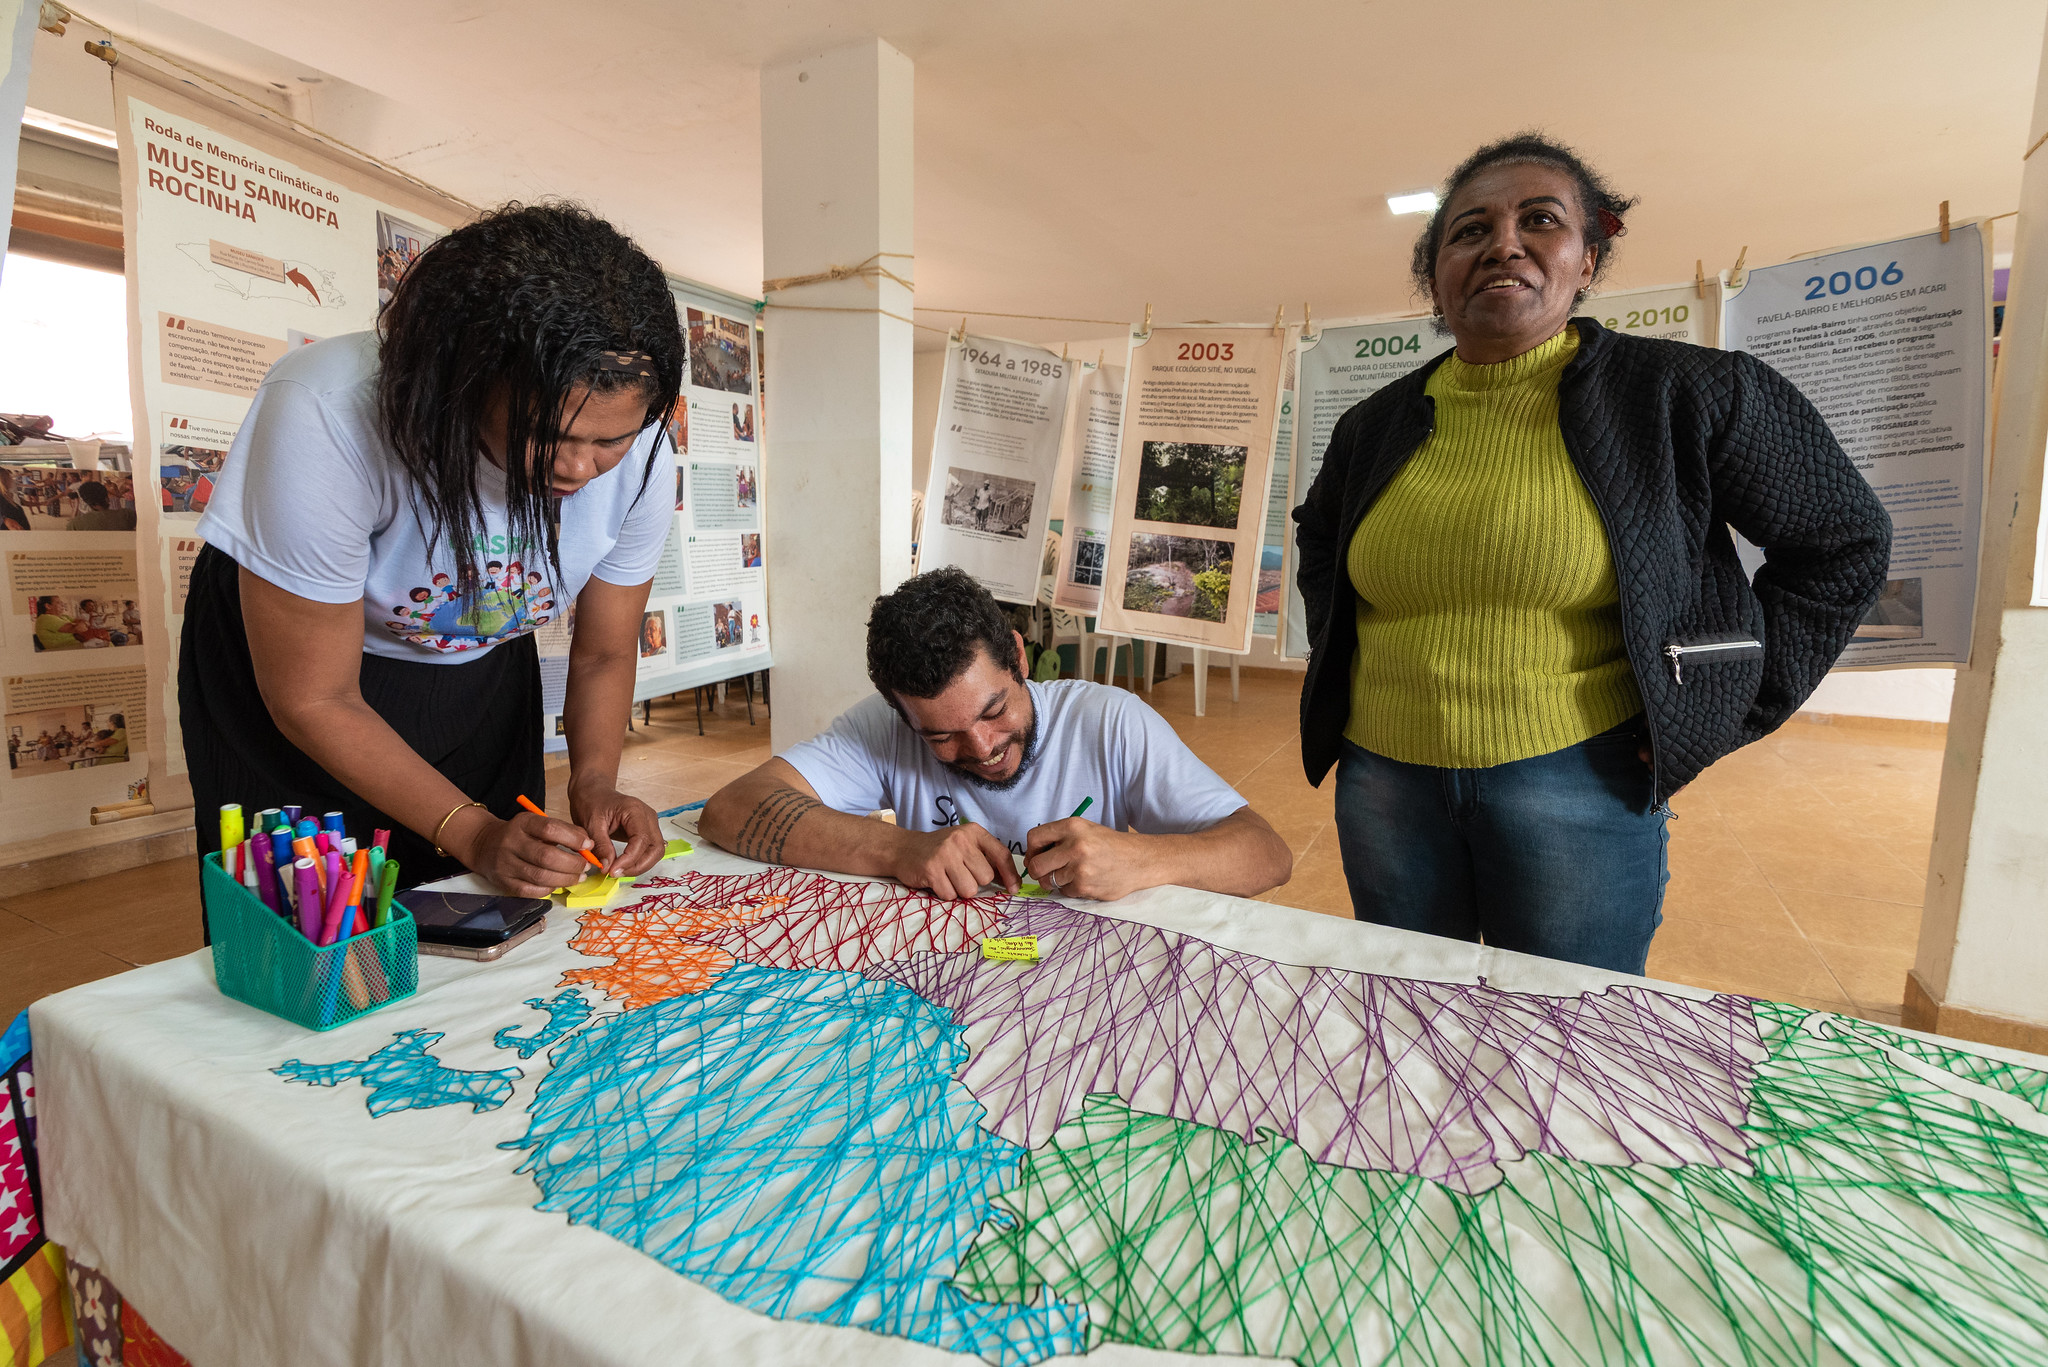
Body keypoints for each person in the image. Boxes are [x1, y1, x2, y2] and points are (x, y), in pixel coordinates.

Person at [1293, 133, 1889, 974]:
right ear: (1435, 275)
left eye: (1539, 220)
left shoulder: (1688, 392)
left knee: (1570, 1044)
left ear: (1587, 260)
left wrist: (1725, 707)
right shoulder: (1375, 425)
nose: (1502, 243)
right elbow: (1320, 537)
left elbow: (1844, 542)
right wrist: (1344, 667)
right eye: (1468, 231)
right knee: (1410, 1018)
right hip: (1385, 787)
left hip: (1579, 781)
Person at [181, 202, 685, 899]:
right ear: (468, 379)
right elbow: (314, 696)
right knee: (317, 922)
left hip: (478, 670)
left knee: (490, 904)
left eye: (609, 441)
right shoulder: (328, 412)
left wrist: (595, 778)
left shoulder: (645, 458)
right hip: (305, 676)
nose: (577, 468)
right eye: (551, 436)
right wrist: (473, 830)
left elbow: (602, 650)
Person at [701, 567, 1293, 900]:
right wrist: (900, 848)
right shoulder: (884, 727)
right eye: (941, 738)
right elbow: (731, 809)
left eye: (993, 711)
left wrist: (1145, 857)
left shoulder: (1109, 721)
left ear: (1017, 656)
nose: (982, 749)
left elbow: (1267, 855)